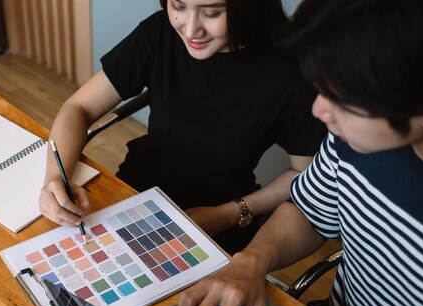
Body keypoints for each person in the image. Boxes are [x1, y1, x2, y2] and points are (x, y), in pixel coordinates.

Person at [177, 0, 423, 306]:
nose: (318, 110)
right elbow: (308, 212)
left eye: (342, 99)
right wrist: (251, 260)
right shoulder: (355, 139)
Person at [39, 0, 327, 254]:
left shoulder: (291, 70)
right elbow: (79, 107)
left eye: (211, 13)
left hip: (216, 219)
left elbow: (305, 174)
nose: (190, 30)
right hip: (136, 192)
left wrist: (228, 214)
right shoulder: (160, 31)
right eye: (178, 6)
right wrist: (54, 178)